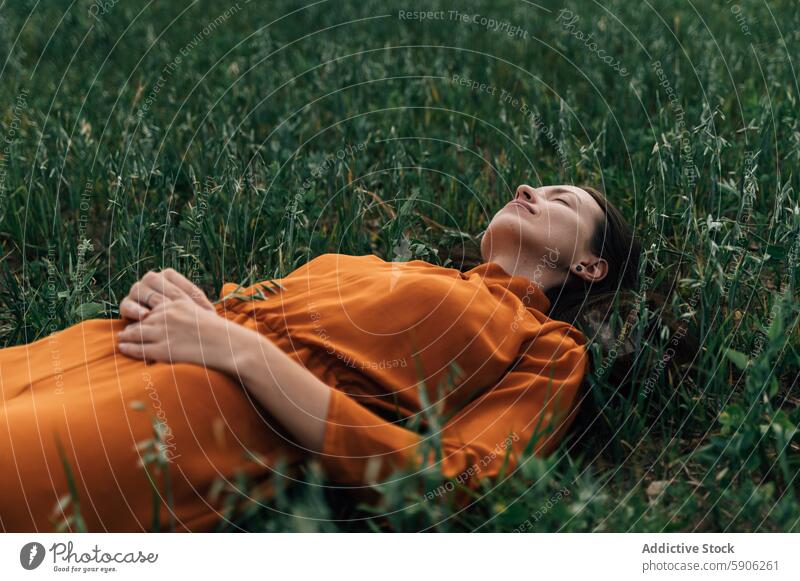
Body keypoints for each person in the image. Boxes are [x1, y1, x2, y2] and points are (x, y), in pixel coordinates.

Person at [0, 184, 640, 532]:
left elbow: (457, 482)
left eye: (564, 200)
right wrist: (185, 299)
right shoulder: (411, 271)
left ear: (590, 264)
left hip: (203, 416)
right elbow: (248, 313)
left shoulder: (550, 347)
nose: (529, 187)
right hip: (109, 347)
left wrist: (246, 353)